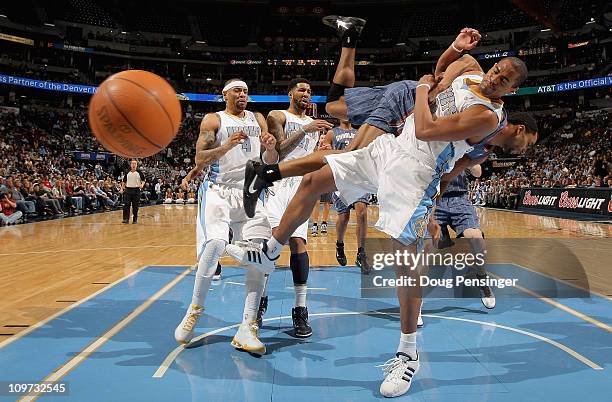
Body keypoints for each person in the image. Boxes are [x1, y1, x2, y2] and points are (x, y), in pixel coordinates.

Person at [228, 19, 537, 398]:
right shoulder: (471, 71)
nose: (495, 79)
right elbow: (441, 72)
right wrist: (455, 49)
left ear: (512, 90)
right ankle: (270, 250)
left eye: (504, 80)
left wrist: (423, 88)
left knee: (404, 262)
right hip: (391, 149)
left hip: (417, 174)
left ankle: (408, 355)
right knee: (315, 181)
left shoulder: (488, 116)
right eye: (496, 70)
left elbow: (425, 127)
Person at [175, 78, 279, 356]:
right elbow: (200, 159)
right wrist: (227, 146)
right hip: (218, 190)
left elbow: (271, 161)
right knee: (214, 245)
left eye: (245, 90)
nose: (242, 94)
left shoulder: (258, 119)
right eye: (237, 90)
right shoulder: (213, 120)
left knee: (259, 256)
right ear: (225, 95)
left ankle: (248, 326)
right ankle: (195, 309)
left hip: (251, 190)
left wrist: (269, 147)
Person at [255, 78, 333, 337]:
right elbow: (278, 152)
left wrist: (323, 151)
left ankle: (300, 309)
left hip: (303, 187)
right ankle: (259, 303)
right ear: (290, 93)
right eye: (301, 89)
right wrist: (306, 130)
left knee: (299, 243)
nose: (306, 93)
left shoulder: (317, 126)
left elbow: (311, 159)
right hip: (280, 183)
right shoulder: (277, 116)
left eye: (310, 90)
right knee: (273, 244)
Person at [320, 120, 371, 273]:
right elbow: (323, 152)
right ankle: (339, 244)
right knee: (344, 218)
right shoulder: (332, 133)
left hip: (358, 177)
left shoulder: (361, 131)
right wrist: (325, 149)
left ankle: (361, 254)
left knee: (362, 212)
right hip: (340, 178)